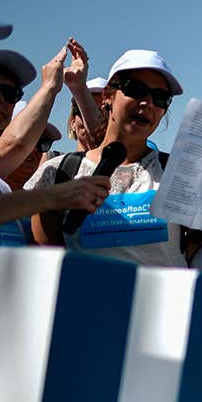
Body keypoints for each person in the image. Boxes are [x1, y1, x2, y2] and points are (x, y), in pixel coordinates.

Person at [24, 49, 188, 268]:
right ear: (108, 95)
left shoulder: (179, 174)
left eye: (160, 98)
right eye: (136, 89)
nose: (147, 103)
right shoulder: (59, 172)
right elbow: (44, 264)